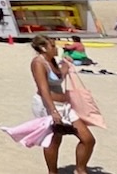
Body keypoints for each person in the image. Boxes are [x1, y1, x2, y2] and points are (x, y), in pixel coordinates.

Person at [30, 33, 97, 174]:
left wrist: (66, 63)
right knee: (54, 140)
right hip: (47, 106)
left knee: (88, 139)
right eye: (53, 46)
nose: (56, 48)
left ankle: (81, 169)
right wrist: (53, 111)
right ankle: (53, 172)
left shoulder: (53, 60)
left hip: (65, 106)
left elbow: (61, 74)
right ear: (43, 48)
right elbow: (43, 90)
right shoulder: (38, 63)